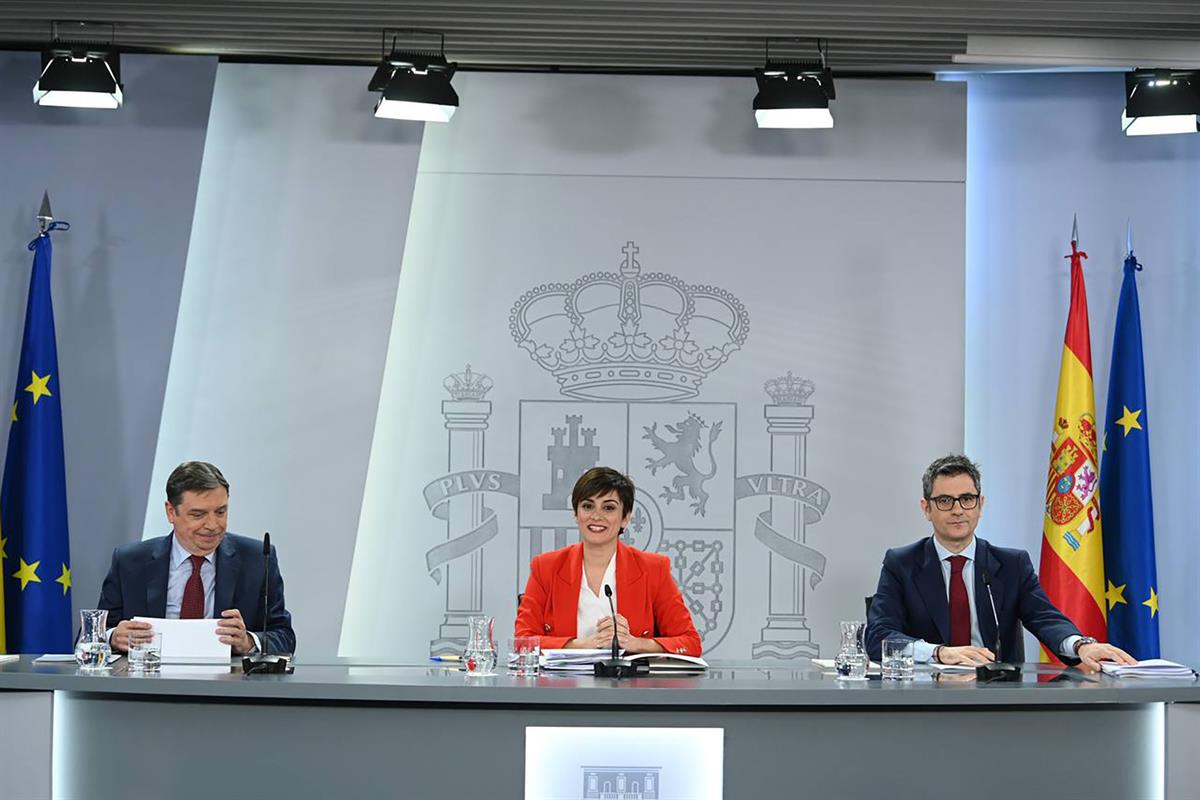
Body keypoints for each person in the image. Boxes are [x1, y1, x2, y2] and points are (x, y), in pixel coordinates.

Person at [865, 454, 1134, 670]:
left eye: (967, 499)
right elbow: (879, 637)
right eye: (945, 500)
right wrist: (939, 653)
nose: (958, 509)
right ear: (927, 508)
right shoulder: (901, 563)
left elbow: (1045, 618)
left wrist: (1081, 646)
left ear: (980, 505)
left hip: (997, 696)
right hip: (924, 699)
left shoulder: (1011, 565)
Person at [97, 461, 295, 655]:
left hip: (226, 685)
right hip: (150, 683)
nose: (212, 525)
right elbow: (90, 636)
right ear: (171, 512)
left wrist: (249, 641)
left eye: (220, 512)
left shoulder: (257, 559)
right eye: (198, 514)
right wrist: (113, 637)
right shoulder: (130, 562)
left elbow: (284, 636)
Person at [515, 467, 702, 655]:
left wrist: (635, 643)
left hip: (629, 683)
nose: (596, 516)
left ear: (625, 518)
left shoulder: (654, 569)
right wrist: (583, 645)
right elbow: (522, 641)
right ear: (576, 514)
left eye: (609, 508)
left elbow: (690, 643)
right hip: (562, 683)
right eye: (588, 506)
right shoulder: (545, 567)